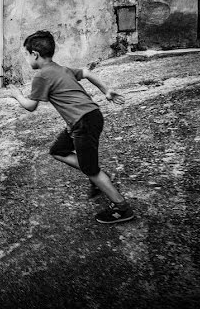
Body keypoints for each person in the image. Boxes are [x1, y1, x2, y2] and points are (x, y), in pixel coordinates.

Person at [7, 30, 135, 224]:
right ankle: (99, 176)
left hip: (82, 122)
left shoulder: (41, 76)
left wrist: (16, 95)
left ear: (35, 54)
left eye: (26, 54)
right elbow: (86, 72)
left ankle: (121, 208)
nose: (26, 59)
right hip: (90, 116)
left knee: (91, 170)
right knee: (58, 150)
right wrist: (106, 91)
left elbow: (31, 106)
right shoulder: (61, 68)